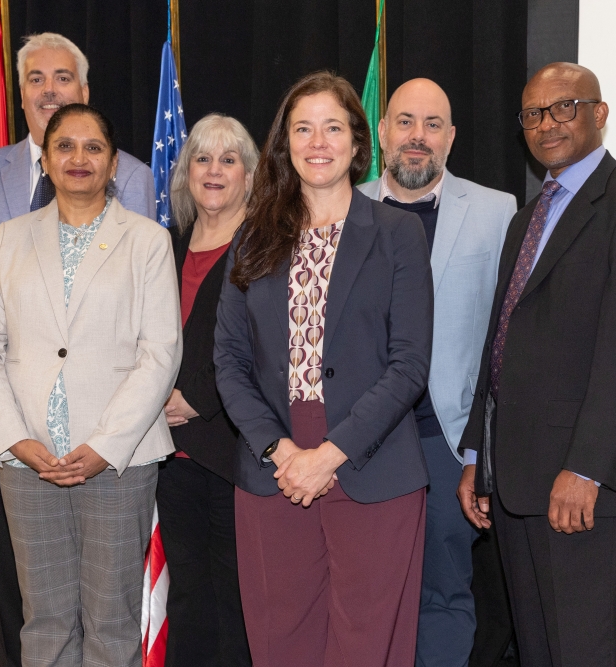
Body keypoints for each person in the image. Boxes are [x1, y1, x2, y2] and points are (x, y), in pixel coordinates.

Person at [0, 32, 155, 664]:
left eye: (63, 78)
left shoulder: (135, 179)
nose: (50, 89)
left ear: (84, 90)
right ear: (20, 92)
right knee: (28, 602)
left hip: (108, 433)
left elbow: (148, 322)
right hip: (3, 417)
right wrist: (5, 361)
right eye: (36, 78)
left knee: (109, 612)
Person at [457, 63, 616, 666]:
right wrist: (479, 455)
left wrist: (586, 469)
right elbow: (500, 340)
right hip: (514, 476)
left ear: (599, 113)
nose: (547, 124)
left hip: (578, 482)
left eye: (564, 107)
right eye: (533, 114)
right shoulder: (526, 219)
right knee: (538, 651)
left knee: (583, 651)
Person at [214, 71, 434, 667]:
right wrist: (282, 451)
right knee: (282, 640)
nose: (318, 142)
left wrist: (329, 455)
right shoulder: (251, 237)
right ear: (284, 144)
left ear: (358, 142)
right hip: (273, 467)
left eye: (332, 128)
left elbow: (409, 364)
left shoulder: (398, 233)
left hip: (371, 461)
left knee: (366, 645)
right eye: (303, 129)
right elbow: (229, 361)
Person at [357, 78, 515, 667]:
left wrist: (482, 451)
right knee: (365, 594)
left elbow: (507, 339)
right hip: (359, 442)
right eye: (405, 122)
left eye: (432, 124)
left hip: (447, 442)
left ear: (451, 137)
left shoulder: (497, 212)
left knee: (442, 594)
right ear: (382, 132)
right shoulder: (341, 207)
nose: (417, 136)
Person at [157, 113, 258, 667]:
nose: (214, 170)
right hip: (167, 453)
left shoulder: (263, 249)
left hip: (232, 450)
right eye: (202, 158)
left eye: (228, 159)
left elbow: (266, 346)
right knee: (188, 597)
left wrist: (198, 397)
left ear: (249, 175)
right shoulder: (163, 247)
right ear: (185, 173)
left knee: (235, 599)